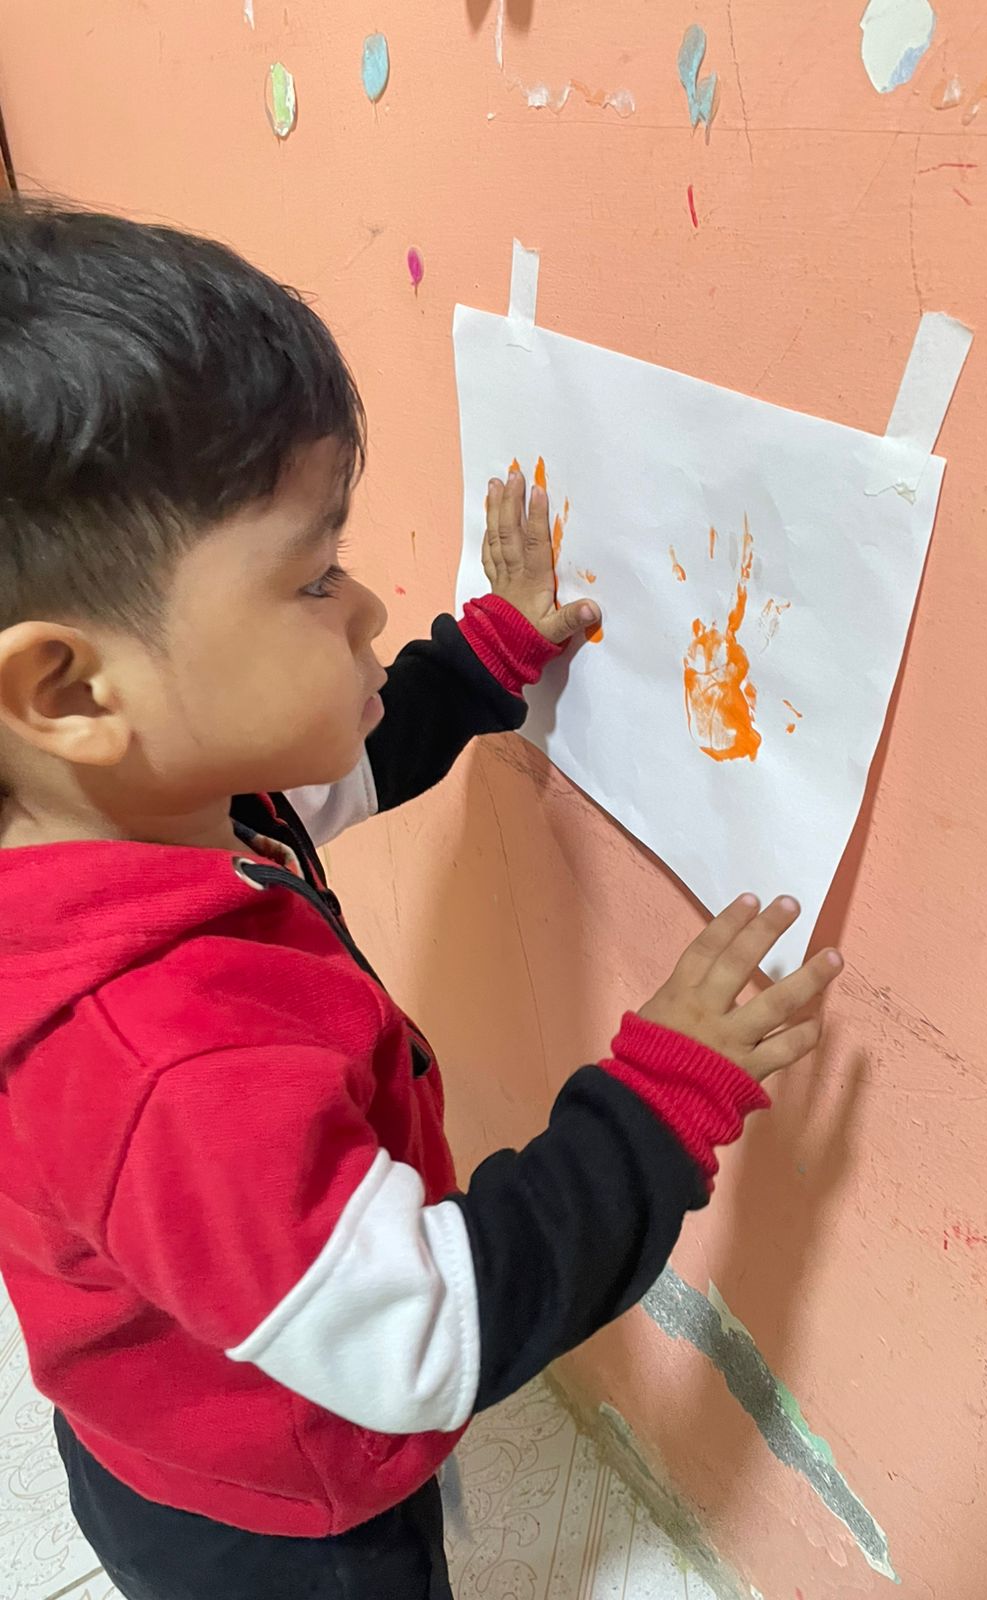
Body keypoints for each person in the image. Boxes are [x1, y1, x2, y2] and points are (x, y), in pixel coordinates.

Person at [0, 199, 842, 1600]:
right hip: (277, 1524)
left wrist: (489, 654)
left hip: (176, 1407)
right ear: (71, 688)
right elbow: (427, 1338)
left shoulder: (130, 814)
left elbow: (337, 781)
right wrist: (662, 1099)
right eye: (312, 578)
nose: (369, 608)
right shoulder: (169, 1067)